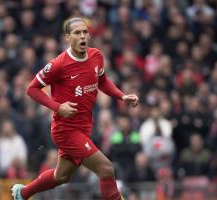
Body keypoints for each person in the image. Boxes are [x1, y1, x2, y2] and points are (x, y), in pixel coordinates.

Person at [11, 17, 139, 200]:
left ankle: (22, 193)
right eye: (77, 33)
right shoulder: (58, 64)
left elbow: (102, 81)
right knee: (106, 169)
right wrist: (57, 107)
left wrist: (122, 96)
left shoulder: (96, 56)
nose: (82, 36)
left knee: (61, 176)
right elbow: (31, 89)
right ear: (67, 37)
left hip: (84, 127)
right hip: (66, 130)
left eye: (85, 32)